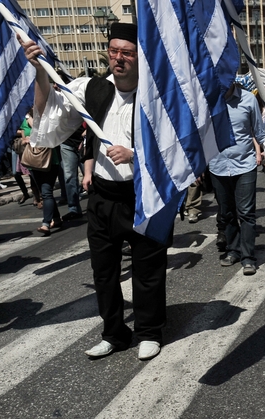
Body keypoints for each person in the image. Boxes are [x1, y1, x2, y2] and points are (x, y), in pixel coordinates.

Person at [21, 22, 169, 360]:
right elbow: (48, 123)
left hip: (144, 196)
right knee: (104, 271)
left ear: (139, 56)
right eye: (113, 51)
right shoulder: (92, 89)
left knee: (148, 270)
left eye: (127, 53)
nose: (119, 58)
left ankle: (149, 331)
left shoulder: (158, 95)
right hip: (103, 197)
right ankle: (114, 332)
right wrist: (40, 73)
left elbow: (178, 149)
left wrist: (137, 155)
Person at [209, 82, 265, 275]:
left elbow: (258, 131)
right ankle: (233, 250)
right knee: (227, 212)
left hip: (245, 165)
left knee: (246, 213)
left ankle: (248, 257)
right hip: (217, 166)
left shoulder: (248, 99)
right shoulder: (208, 99)